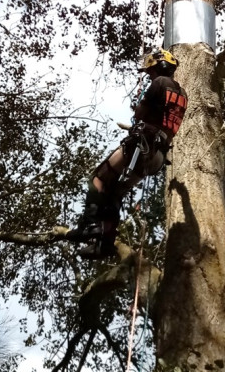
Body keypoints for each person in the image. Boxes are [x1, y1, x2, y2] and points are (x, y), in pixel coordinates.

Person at [67, 49, 188, 259]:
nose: (149, 75)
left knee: (98, 177)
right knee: (114, 193)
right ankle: (104, 244)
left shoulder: (159, 83)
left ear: (159, 67)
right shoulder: (183, 94)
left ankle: (89, 226)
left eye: (150, 71)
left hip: (143, 144)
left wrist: (139, 107)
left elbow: (140, 113)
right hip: (157, 156)